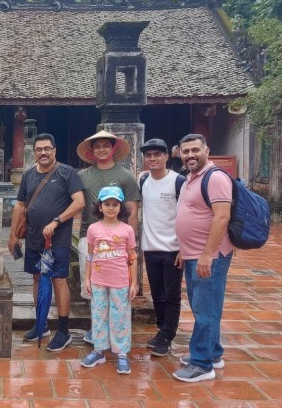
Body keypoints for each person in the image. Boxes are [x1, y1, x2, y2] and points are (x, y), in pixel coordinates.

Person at [8, 133, 84, 352]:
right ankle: (41, 324)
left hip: (57, 239)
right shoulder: (29, 175)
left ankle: (63, 330)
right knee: (37, 279)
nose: (43, 152)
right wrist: (13, 235)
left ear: (54, 150)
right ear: (35, 152)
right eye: (39, 149)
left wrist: (57, 220)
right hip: (33, 237)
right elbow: (20, 205)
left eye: (47, 148)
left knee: (59, 280)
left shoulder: (66, 172)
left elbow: (78, 203)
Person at [173, 133, 233, 383]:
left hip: (209, 256)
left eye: (195, 150)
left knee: (204, 309)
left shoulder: (215, 177)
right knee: (205, 306)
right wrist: (183, 249)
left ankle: (202, 363)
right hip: (194, 253)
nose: (190, 155)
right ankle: (213, 352)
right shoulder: (191, 178)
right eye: (186, 151)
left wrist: (207, 254)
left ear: (207, 150)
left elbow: (221, 217)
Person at [76, 130, 140, 345]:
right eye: (97, 146)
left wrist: (131, 241)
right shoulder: (83, 176)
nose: (101, 149)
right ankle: (97, 329)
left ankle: (117, 331)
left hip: (120, 241)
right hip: (90, 235)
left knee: (119, 288)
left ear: (113, 148)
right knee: (94, 285)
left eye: (105, 145)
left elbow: (132, 209)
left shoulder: (125, 176)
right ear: (91, 151)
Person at [80, 186, 138, 374]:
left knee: (119, 316)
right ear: (100, 206)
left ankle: (121, 353)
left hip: (120, 281)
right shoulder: (93, 229)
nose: (111, 208)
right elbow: (90, 256)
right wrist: (87, 279)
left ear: (121, 207)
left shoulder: (127, 230)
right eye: (107, 204)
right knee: (98, 315)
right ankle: (99, 350)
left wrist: (134, 282)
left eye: (115, 204)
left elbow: (132, 257)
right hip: (98, 280)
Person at [139, 138, 185, 357]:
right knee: (156, 293)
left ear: (167, 156)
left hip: (174, 250)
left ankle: (167, 335)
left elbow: (187, 217)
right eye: (148, 155)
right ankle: (161, 329)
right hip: (150, 248)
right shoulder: (144, 181)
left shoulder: (178, 181)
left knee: (171, 294)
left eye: (157, 154)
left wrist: (184, 248)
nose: (152, 159)